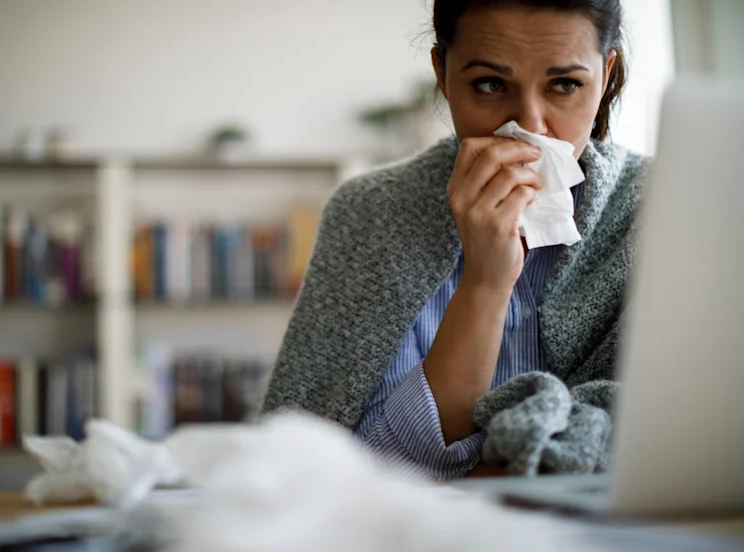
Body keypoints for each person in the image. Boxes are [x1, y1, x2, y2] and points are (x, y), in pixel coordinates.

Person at [263, 0, 649, 479]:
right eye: (490, 84)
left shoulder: (661, 209)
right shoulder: (372, 212)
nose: (530, 126)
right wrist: (486, 282)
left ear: (606, 75)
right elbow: (342, 470)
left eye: (565, 85)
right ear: (442, 73)